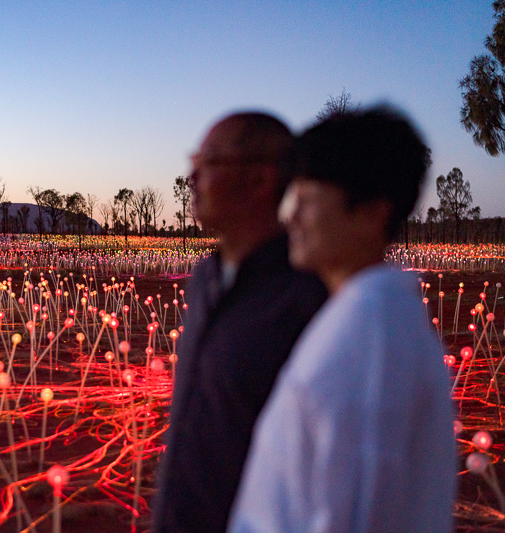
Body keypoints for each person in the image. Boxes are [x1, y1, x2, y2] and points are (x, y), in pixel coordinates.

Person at [229, 107, 455, 533]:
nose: (288, 215)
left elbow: (361, 512)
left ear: (373, 212)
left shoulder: (371, 341)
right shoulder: (364, 319)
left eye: (308, 200)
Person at [151, 112, 328, 533]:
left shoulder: (307, 297)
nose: (192, 177)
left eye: (208, 162)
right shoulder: (204, 278)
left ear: (261, 179)